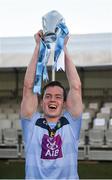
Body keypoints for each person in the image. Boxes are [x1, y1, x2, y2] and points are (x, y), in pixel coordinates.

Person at [20, 30, 83, 179]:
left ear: (65, 104)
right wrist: (37, 46)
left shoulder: (71, 123)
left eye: (58, 97)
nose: (52, 100)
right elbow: (28, 87)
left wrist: (64, 47)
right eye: (48, 96)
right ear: (41, 103)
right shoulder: (32, 123)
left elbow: (76, 87)